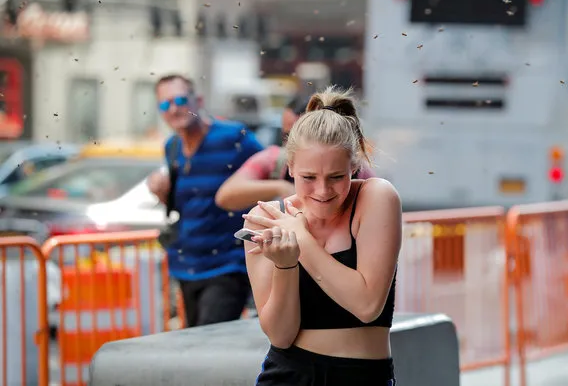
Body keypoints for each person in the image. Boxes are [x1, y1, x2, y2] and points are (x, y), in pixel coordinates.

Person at [240, 86, 401, 385]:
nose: (323, 191)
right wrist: (286, 266)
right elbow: (281, 335)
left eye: (337, 177)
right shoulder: (267, 219)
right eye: (309, 178)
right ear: (290, 168)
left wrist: (301, 237)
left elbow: (367, 306)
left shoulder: (376, 196)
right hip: (288, 374)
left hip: (362, 376)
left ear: (354, 167)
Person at [146, 73, 264, 327]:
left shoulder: (233, 136)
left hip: (227, 265)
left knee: (211, 343)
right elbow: (186, 206)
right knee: (197, 347)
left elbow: (272, 167)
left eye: (180, 99)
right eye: (165, 104)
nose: (175, 109)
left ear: (197, 100)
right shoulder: (172, 147)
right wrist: (161, 193)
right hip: (188, 264)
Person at [215, 96, 376, 212]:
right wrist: (281, 187)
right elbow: (226, 196)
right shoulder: (275, 159)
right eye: (287, 135)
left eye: (336, 176)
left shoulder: (362, 175)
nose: (322, 190)